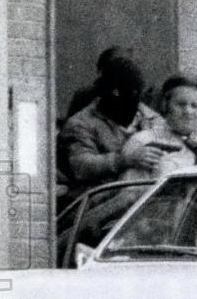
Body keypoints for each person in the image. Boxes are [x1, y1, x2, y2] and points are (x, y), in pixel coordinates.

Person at [58, 50, 161, 199]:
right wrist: (125, 160)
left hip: (145, 198)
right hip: (97, 203)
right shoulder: (80, 123)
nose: (131, 98)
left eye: (136, 92)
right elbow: (81, 165)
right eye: (120, 91)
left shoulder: (150, 117)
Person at [120, 73, 197, 180]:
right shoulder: (144, 141)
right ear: (166, 105)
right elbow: (132, 191)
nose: (188, 111)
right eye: (181, 104)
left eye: (195, 106)